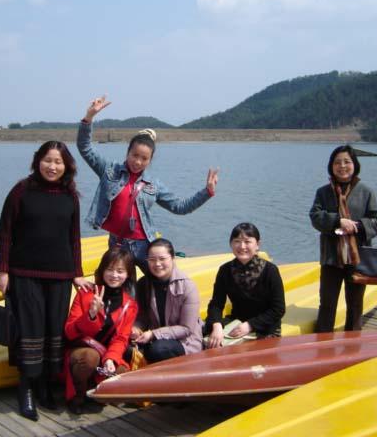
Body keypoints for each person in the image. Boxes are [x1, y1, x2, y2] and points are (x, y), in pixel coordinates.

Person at [0, 141, 91, 421]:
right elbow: (5, 232)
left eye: (58, 162)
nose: (52, 166)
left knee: (53, 332)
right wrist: (2, 270)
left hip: (60, 276)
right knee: (29, 331)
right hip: (25, 274)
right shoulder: (21, 191)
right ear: (38, 161)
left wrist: (77, 272)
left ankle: (45, 385)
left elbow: (74, 238)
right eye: (48, 160)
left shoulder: (70, 196)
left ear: (66, 166)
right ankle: (25, 388)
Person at [77, 95, 219, 271]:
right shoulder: (110, 171)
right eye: (135, 155)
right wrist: (89, 117)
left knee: (159, 283)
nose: (138, 162)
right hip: (117, 244)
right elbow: (85, 147)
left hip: (145, 246)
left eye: (144, 158)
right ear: (127, 153)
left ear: (150, 160)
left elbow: (180, 207)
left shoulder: (153, 185)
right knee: (116, 285)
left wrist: (207, 192)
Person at [309, 145, 377, 332]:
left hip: (358, 258)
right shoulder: (323, 192)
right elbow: (315, 217)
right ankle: (323, 343)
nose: (342, 166)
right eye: (337, 162)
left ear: (354, 165)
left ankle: (353, 343)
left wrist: (357, 226)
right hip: (331, 258)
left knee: (356, 306)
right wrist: (338, 221)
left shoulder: (366, 192)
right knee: (327, 304)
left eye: (347, 162)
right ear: (331, 166)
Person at [63, 247, 138, 415]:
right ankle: (78, 395)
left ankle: (96, 389)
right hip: (81, 350)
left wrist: (111, 359)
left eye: (120, 271)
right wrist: (91, 314)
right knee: (90, 357)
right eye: (110, 269)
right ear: (102, 270)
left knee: (121, 372)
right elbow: (69, 332)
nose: (114, 275)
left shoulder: (130, 305)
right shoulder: (85, 294)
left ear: (128, 275)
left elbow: (121, 339)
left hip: (106, 352)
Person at [205, 223, 285, 348]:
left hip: (264, 327)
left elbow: (278, 309)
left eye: (247, 242)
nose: (242, 246)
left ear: (257, 244)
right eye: (237, 241)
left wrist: (250, 325)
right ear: (231, 244)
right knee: (204, 334)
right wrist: (217, 325)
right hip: (236, 322)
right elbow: (216, 303)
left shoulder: (270, 271)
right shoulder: (225, 270)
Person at [131, 238, 202, 363]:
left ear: (173, 258)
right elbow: (142, 317)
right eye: (152, 259)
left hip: (183, 341)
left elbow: (186, 328)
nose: (157, 264)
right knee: (125, 346)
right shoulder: (143, 284)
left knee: (157, 350)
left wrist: (154, 334)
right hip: (152, 337)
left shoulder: (187, 286)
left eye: (162, 259)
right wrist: (136, 329)